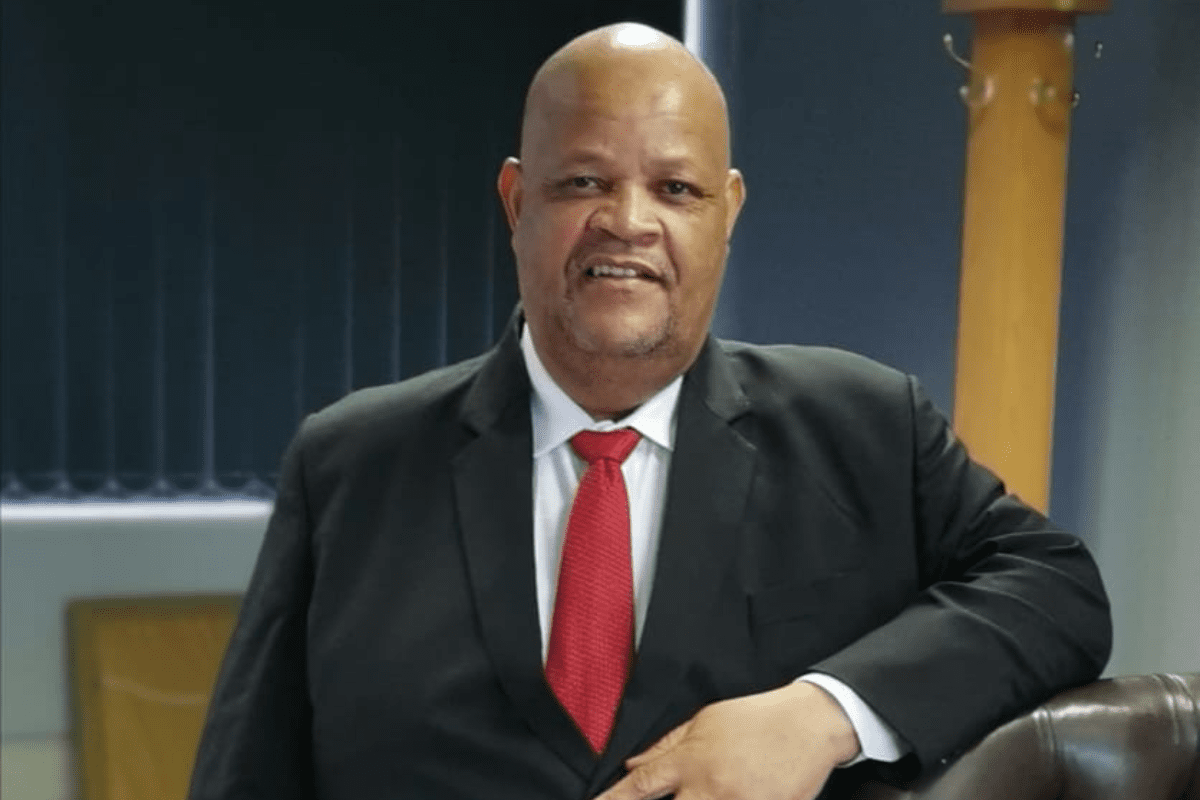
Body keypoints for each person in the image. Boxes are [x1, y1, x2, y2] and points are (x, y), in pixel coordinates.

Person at [188, 22, 1110, 800]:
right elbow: (245, 774)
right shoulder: (349, 465)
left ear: (727, 212)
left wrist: (822, 713)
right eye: (584, 182)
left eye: (675, 189)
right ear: (516, 200)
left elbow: (1056, 590)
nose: (628, 221)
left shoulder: (864, 428)